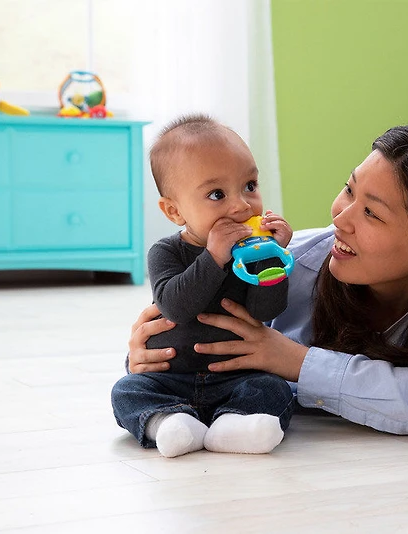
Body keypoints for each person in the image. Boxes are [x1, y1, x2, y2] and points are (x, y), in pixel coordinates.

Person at [121, 122, 408, 440]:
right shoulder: (286, 262)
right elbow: (198, 331)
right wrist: (147, 356)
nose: (339, 220)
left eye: (372, 213)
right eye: (349, 190)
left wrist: (298, 363)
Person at [111, 114, 295, 457]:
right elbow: (175, 307)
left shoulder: (256, 251)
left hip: (238, 377)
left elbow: (266, 310)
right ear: (173, 211)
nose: (241, 205)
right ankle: (169, 424)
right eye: (216, 194)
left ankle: (234, 425)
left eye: (250, 186)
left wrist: (273, 258)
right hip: (170, 377)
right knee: (127, 390)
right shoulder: (166, 251)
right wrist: (212, 257)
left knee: (274, 388)